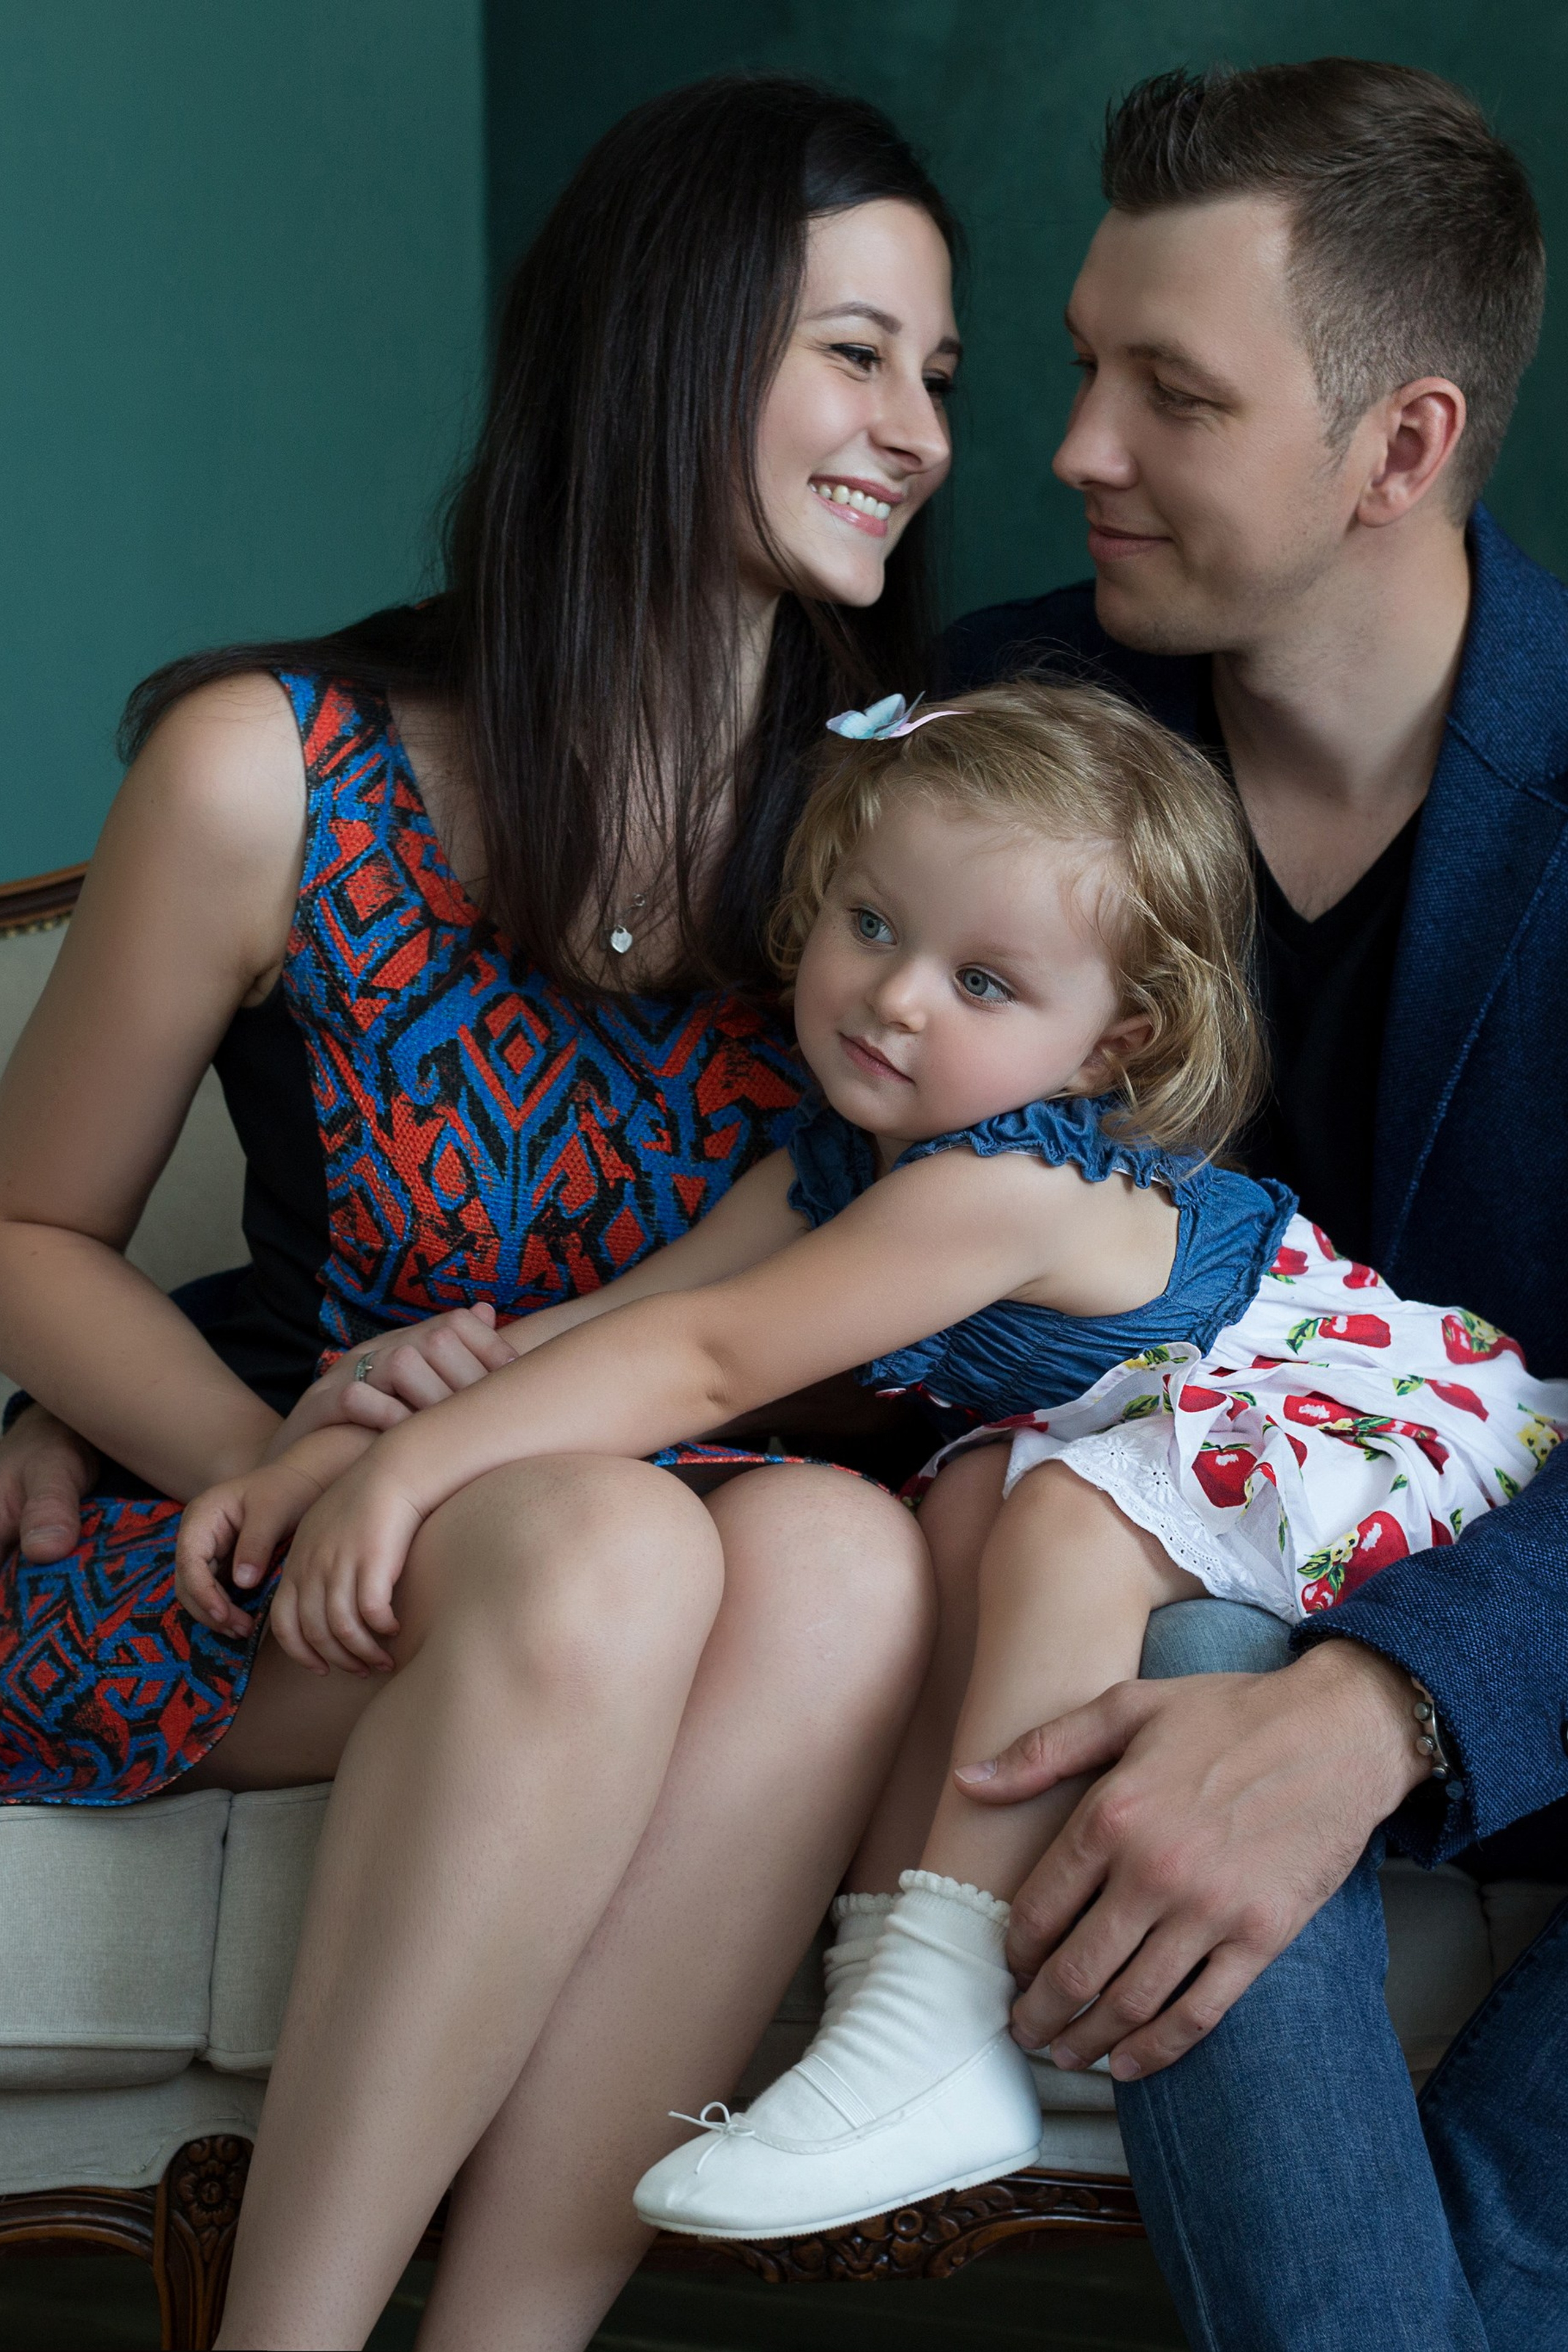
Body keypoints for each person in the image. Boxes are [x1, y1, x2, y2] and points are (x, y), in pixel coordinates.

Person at [0, 76, 962, 2351]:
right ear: (668, 343)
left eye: (940, 373)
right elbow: (27, 1232)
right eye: (854, 350)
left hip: (655, 1521)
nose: (916, 428)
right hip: (248, 1540)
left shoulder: (900, 831)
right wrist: (277, 1476)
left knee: (830, 1556)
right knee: (611, 1543)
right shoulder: (272, 767)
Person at [173, 678, 1566, 2245]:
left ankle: (935, 2029)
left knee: (1056, 1518)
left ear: (1115, 1039)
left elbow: (704, 1364)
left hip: (1402, 1437)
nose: (896, 998)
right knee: (965, 1502)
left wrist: (412, 1478)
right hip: (1184, 1446)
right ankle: (875, 2012)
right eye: (870, 925)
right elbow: (626, 1321)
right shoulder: (836, 1163)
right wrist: (346, 1429)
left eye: (983, 981)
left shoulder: (1005, 1188)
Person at [937, 60, 1568, 2351]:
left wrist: (1394, 1700)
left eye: (1168, 393)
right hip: (1172, 1606)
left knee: (1245, 1677)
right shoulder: (996, 721)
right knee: (1193, 1652)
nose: (1075, 444)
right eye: (1085, 365)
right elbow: (743, 1161)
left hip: (1537, 1638)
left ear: (1401, 447)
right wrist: (143, 1379)